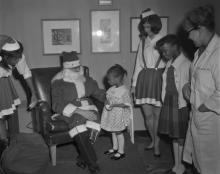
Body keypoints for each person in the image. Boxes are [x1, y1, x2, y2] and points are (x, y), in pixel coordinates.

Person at [51, 51, 105, 174]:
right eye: (73, 67)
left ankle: (82, 157)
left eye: (78, 67)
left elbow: (97, 92)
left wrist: (110, 97)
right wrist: (79, 111)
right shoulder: (58, 83)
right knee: (78, 124)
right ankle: (93, 163)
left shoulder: (87, 80)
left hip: (89, 107)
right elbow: (56, 105)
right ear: (66, 68)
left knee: (95, 126)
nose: (77, 69)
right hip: (69, 110)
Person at [182, 4, 220, 174]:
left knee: (211, 167)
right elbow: (200, 82)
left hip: (211, 123)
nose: (188, 37)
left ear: (201, 28)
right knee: (198, 164)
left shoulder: (218, 54)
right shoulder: (199, 53)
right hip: (197, 119)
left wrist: (203, 107)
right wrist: (187, 87)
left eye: (189, 32)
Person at [131, 8, 166, 156]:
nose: (145, 29)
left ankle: (157, 143)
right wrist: (133, 85)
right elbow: (138, 63)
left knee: (158, 116)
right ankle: (153, 139)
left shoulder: (165, 39)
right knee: (148, 116)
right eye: (144, 27)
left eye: (147, 26)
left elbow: (171, 61)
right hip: (144, 79)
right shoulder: (143, 41)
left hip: (159, 78)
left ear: (154, 25)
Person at [156, 34, 191, 174]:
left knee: (181, 136)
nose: (164, 54)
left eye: (166, 51)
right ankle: (176, 165)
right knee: (174, 136)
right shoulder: (170, 63)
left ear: (176, 47)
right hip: (169, 102)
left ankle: (181, 166)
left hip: (180, 104)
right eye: (162, 52)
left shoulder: (186, 64)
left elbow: (188, 87)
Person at [0, 35, 37, 144]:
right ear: (5, 57)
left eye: (19, 57)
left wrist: (34, 94)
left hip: (3, 83)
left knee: (1, 118)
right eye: (14, 58)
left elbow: (26, 72)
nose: (18, 60)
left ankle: (4, 148)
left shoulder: (18, 56)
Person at [101, 64, 134, 160]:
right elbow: (107, 98)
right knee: (113, 131)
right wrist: (106, 102)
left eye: (110, 79)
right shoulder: (111, 89)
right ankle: (115, 148)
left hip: (119, 115)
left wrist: (114, 105)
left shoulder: (124, 91)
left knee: (118, 132)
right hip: (112, 114)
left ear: (118, 78)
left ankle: (121, 151)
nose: (108, 81)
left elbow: (127, 104)